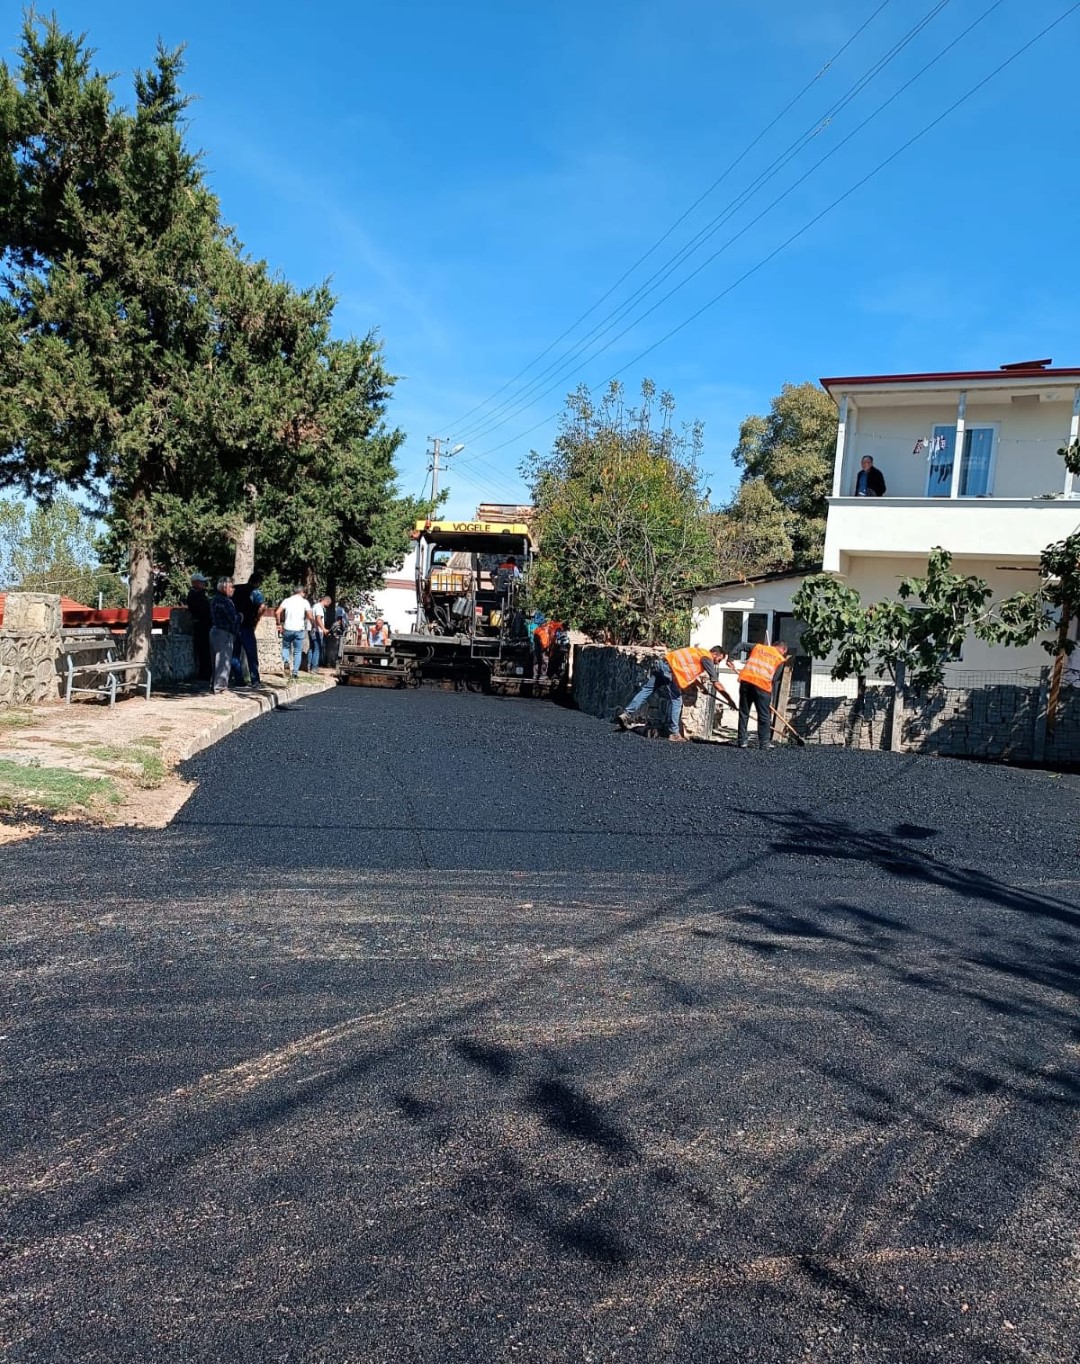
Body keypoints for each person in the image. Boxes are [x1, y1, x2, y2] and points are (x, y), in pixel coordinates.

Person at [616, 645, 727, 742]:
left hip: (663, 664)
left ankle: (626, 714)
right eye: (719, 659)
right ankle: (674, 733)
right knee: (677, 700)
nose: (717, 662)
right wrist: (729, 700)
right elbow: (715, 682)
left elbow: (688, 671)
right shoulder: (707, 657)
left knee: (646, 690)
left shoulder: (698, 652)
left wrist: (701, 686)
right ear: (715, 653)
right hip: (670, 671)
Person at [737, 640, 790, 749]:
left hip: (746, 682)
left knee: (744, 713)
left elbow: (742, 645)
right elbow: (774, 679)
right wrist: (770, 697)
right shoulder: (780, 659)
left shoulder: (759, 647)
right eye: (784, 653)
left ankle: (742, 741)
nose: (783, 654)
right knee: (764, 716)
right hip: (762, 686)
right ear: (783, 649)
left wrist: (731, 657)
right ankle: (764, 743)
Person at [208, 577, 241, 694]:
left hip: (215, 631)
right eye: (231, 587)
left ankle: (214, 685)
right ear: (224, 587)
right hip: (224, 632)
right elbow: (232, 618)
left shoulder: (214, 599)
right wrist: (240, 617)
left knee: (215, 661)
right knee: (223, 661)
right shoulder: (225, 601)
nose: (233, 590)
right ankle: (220, 687)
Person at [231, 571, 265, 684]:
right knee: (251, 654)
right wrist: (257, 618)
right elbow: (262, 607)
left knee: (234, 654)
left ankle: (238, 680)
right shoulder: (255, 592)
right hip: (247, 626)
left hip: (234, 625)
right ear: (258, 582)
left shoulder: (235, 589)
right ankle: (255, 680)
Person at [276, 586, 314, 680]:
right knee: (297, 651)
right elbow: (309, 616)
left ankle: (286, 661)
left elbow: (277, 612)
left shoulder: (287, 600)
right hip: (299, 630)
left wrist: (279, 624)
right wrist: (313, 624)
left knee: (285, 647)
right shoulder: (305, 602)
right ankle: (295, 673)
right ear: (302, 592)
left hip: (287, 628)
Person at [185, 572, 212, 684]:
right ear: (195, 583)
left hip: (205, 624)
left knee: (206, 650)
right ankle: (204, 674)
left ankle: (206, 673)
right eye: (201, 582)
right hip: (201, 625)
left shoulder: (200, 594)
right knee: (204, 650)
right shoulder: (194, 595)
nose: (203, 584)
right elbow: (201, 610)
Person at [308, 594, 330, 672]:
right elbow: (318, 619)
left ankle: (309, 666)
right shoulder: (319, 607)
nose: (328, 606)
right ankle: (314, 668)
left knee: (311, 648)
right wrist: (323, 629)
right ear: (326, 601)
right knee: (317, 649)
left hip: (312, 630)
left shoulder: (314, 606)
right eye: (328, 604)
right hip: (317, 631)